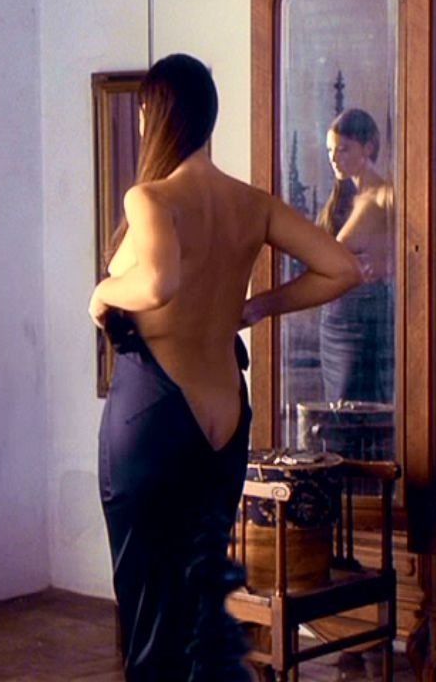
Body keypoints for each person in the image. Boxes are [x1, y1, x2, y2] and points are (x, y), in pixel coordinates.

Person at [88, 53, 362, 682]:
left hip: (154, 416)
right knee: (200, 611)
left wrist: (102, 294)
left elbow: (157, 282)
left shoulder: (149, 197)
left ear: (153, 115)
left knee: (150, 614)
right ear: (208, 118)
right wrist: (258, 307)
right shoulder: (252, 204)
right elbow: (342, 268)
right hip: (224, 419)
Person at [316, 109, 395, 405]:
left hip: (362, 319)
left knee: (354, 406)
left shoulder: (382, 195)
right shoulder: (345, 197)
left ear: (368, 147)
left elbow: (413, 246)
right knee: (339, 405)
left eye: (343, 149)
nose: (334, 158)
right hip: (336, 315)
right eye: (330, 150)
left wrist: (388, 264)